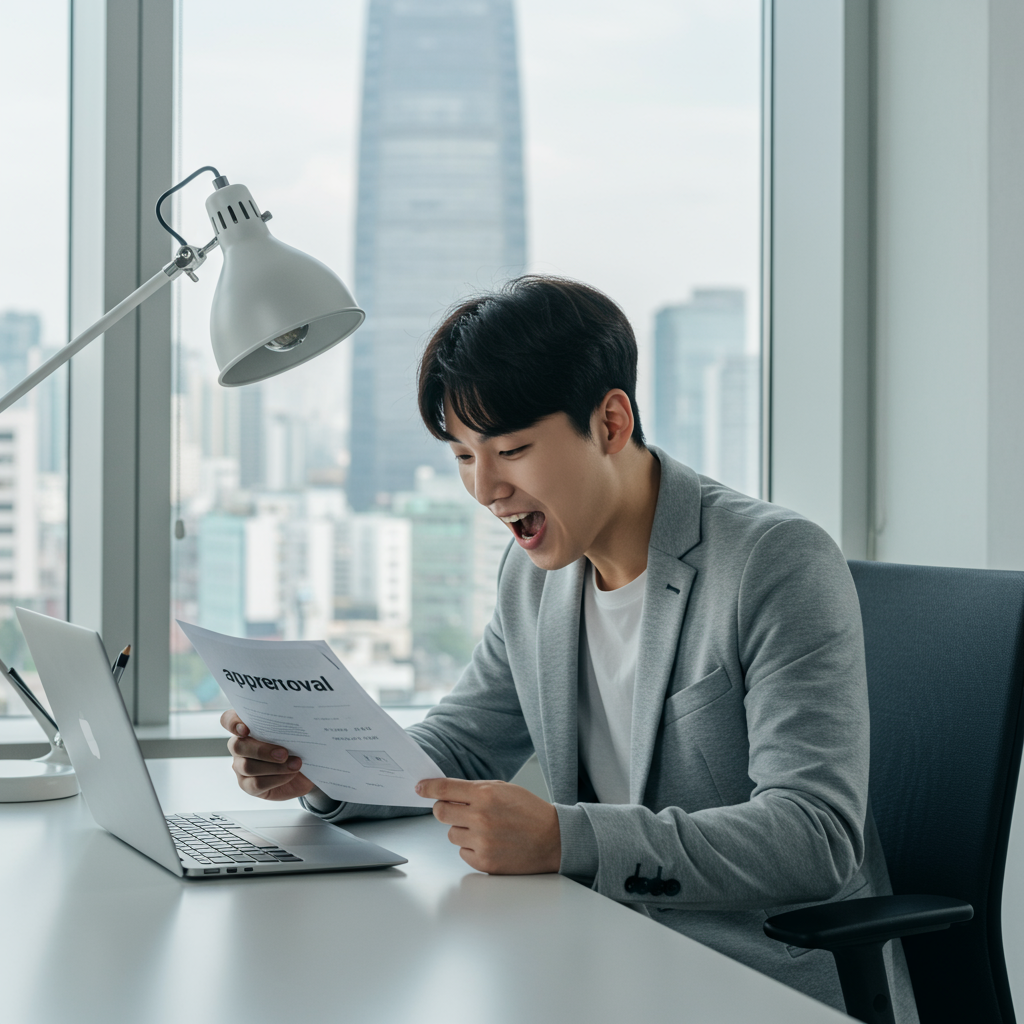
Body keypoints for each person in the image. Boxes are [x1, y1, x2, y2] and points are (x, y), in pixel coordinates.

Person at [221, 276, 918, 1021]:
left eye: (512, 449)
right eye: (462, 456)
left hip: (753, 975)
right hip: (594, 955)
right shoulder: (533, 577)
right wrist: (322, 768)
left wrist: (564, 837)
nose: (486, 487)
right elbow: (462, 743)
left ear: (611, 421)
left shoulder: (774, 562)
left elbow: (814, 836)